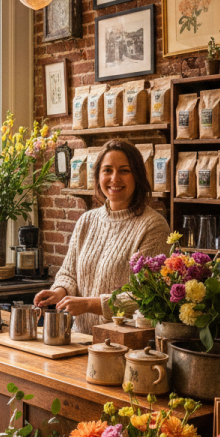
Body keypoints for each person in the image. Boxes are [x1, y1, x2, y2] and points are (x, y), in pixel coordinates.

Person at [34, 139, 170, 333]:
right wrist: (59, 292)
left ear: (137, 176)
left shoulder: (153, 226)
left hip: (126, 347)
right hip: (80, 340)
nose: (115, 178)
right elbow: (68, 273)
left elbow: (148, 297)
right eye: (107, 170)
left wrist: (91, 304)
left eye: (124, 170)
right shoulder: (87, 220)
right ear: (98, 176)